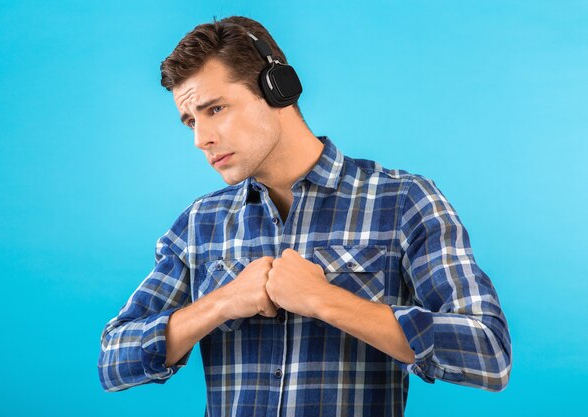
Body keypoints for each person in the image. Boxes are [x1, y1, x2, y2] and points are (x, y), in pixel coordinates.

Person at [97, 15, 512, 416]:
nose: (201, 139)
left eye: (216, 109)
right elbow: (114, 360)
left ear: (277, 89)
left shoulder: (404, 201)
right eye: (190, 120)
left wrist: (326, 301)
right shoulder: (199, 223)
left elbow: (488, 353)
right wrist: (222, 302)